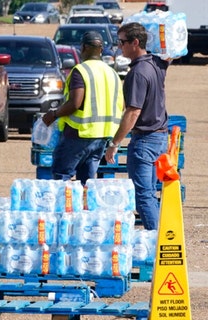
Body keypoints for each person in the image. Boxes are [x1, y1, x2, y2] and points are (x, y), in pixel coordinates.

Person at [105, 22, 169, 231]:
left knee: (143, 196)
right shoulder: (156, 64)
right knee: (149, 194)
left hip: (145, 141)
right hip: (159, 138)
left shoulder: (138, 73)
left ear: (135, 43)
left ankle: (155, 243)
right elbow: (169, 56)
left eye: (122, 42)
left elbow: (133, 112)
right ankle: (159, 237)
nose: (119, 46)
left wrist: (115, 143)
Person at [42, 31, 124, 185]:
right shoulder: (112, 73)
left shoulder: (80, 71)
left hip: (79, 133)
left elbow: (75, 103)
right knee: (87, 182)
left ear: (83, 47)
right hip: (102, 136)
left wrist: (53, 114)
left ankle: (64, 209)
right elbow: (122, 105)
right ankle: (84, 208)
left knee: (62, 177)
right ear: (101, 50)